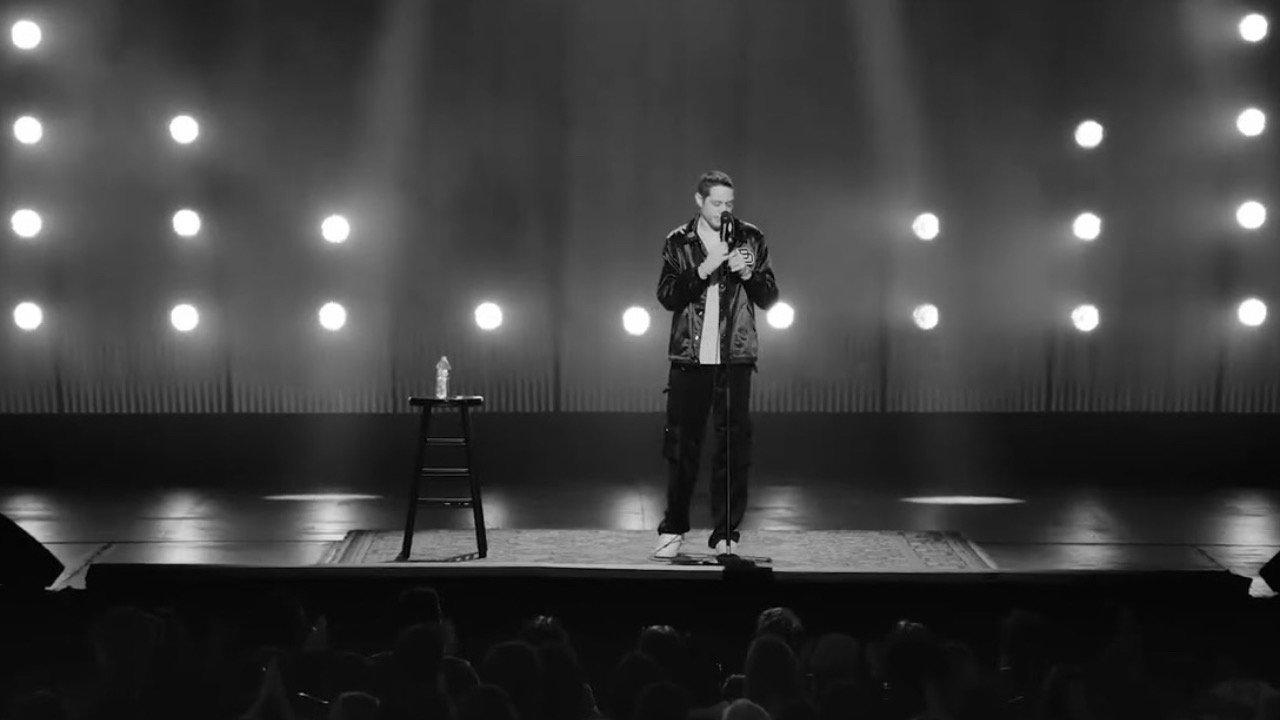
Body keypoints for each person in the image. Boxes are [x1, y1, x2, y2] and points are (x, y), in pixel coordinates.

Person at [653, 170, 779, 559]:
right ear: (699, 200)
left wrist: (748, 272)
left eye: (729, 203)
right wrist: (704, 268)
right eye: (716, 203)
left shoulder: (750, 237)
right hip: (690, 358)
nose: (724, 210)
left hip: (734, 358)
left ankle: (725, 532)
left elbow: (769, 296)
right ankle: (673, 528)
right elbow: (667, 296)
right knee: (682, 446)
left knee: (732, 448)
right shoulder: (679, 241)